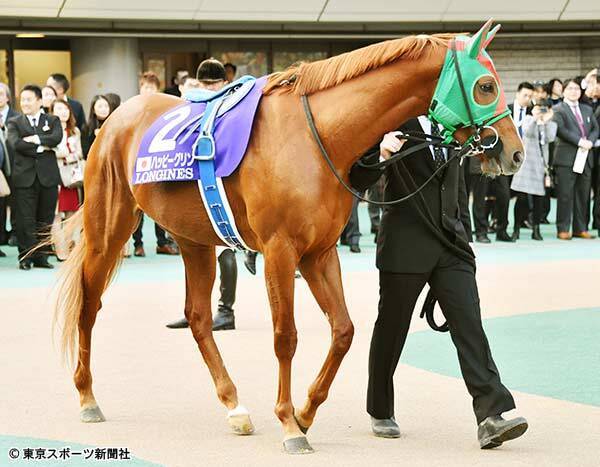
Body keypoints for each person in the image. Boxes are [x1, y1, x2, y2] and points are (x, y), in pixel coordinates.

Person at [350, 116, 527, 448]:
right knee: (391, 328)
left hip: (451, 247)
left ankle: (491, 416)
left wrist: (463, 241)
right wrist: (383, 154)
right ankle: (380, 409)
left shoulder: (453, 129)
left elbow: (456, 189)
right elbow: (358, 177)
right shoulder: (393, 122)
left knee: (470, 326)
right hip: (405, 245)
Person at [166, 59, 238, 331]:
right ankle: (195, 308)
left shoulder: (233, 109)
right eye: (204, 84)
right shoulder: (188, 109)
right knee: (191, 249)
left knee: (225, 253)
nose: (208, 89)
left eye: (213, 84)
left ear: (224, 84)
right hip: (195, 187)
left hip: (225, 186)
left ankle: (226, 311)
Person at [6, 85, 62, 270]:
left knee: (45, 218)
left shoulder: (52, 120)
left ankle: (42, 256)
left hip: (48, 177)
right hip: (24, 178)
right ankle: (26, 256)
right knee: (25, 219)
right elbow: (15, 143)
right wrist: (43, 147)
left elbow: (56, 138)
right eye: (22, 100)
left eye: (29, 99)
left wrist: (35, 139)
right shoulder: (15, 122)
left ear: (39, 101)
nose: (25, 103)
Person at [131, 72, 179, 257]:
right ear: (140, 88)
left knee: (160, 205)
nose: (148, 90)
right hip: (137, 162)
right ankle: (138, 243)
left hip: (158, 162)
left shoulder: (165, 109)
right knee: (137, 207)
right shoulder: (134, 109)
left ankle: (162, 242)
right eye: (145, 87)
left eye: (152, 87)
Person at [552, 78, 600, 239]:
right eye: (570, 88)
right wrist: (580, 142)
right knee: (565, 195)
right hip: (566, 158)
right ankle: (563, 229)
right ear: (564, 91)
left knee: (583, 194)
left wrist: (590, 142)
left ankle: (581, 228)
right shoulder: (558, 109)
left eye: (577, 89)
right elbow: (561, 130)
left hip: (586, 158)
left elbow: (595, 128)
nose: (574, 91)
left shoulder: (586, 109)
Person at [511, 103, 557, 240]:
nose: (542, 112)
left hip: (541, 165)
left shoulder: (551, 124)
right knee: (522, 199)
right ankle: (516, 229)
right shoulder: (528, 119)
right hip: (526, 165)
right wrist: (535, 118)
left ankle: (536, 229)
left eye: (545, 109)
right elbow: (527, 132)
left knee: (539, 200)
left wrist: (545, 121)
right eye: (539, 108)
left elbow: (550, 138)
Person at [51, 99, 84, 259]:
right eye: (58, 109)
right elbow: (51, 151)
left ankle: (73, 246)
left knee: (72, 213)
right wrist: (65, 153)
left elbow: (79, 153)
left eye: (65, 109)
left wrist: (68, 155)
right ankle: (60, 250)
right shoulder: (49, 130)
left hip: (72, 177)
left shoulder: (75, 131)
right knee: (56, 215)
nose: (63, 112)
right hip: (55, 176)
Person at [0, 82, 19, 247]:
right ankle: (1, 236)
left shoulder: (16, 116)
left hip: (13, 165)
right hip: (0, 167)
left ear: (7, 97)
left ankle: (14, 233)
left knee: (15, 201)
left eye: (0, 94)